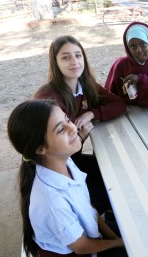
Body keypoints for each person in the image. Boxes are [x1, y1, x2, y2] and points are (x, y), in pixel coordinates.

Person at [7, 99, 130, 257]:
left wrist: (115, 238)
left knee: (135, 232)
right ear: (40, 148)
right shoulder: (51, 201)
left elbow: (89, 208)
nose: (73, 128)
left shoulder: (65, 162)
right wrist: (118, 244)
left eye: (67, 119)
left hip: (90, 240)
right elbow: (82, 247)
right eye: (61, 129)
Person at [34, 35, 126, 215]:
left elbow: (119, 104)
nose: (74, 61)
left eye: (78, 55)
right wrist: (81, 137)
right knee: (108, 193)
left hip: (72, 160)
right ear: (55, 62)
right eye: (65, 57)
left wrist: (92, 113)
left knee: (114, 173)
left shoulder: (86, 85)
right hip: (56, 172)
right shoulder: (48, 99)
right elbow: (51, 154)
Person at [105, 21, 148, 107]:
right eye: (133, 46)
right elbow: (110, 95)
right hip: (122, 112)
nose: (138, 50)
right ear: (128, 48)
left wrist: (141, 80)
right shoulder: (120, 65)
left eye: (143, 44)